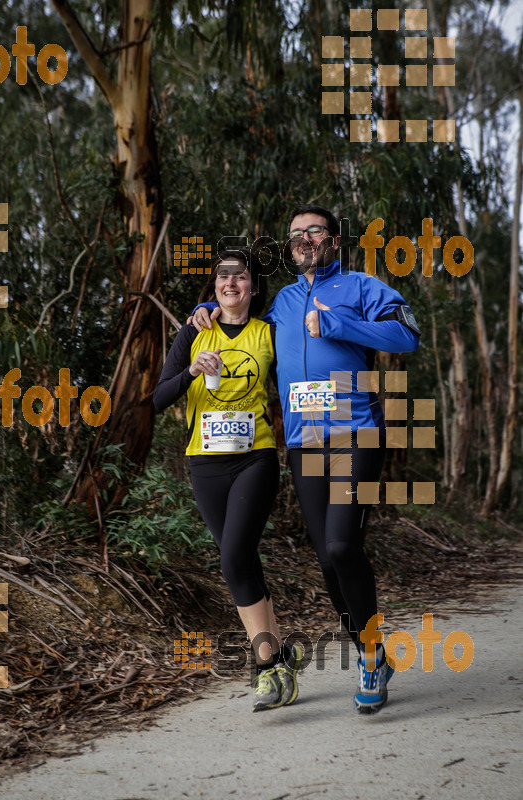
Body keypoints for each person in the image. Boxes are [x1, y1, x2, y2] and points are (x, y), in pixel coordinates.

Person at [191, 205, 421, 714]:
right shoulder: (283, 303)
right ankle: (374, 654)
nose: (304, 238)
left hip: (356, 432)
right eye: (295, 233)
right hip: (304, 444)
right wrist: (203, 311)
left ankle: (369, 654)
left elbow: (408, 334)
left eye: (314, 230)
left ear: (334, 240)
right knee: (326, 560)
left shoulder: (361, 287)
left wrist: (341, 324)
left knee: (342, 546)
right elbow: (240, 326)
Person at [153, 249, 302, 712]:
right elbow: (157, 398)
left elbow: (297, 383)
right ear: (214, 287)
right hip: (205, 464)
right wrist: (192, 372)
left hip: (255, 458)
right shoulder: (194, 333)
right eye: (223, 277)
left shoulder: (269, 333)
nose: (231, 283)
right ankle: (282, 658)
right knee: (241, 562)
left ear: (253, 288)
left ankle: (264, 668)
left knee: (233, 556)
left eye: (241, 277)